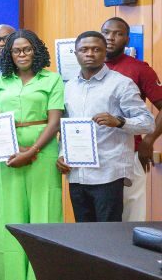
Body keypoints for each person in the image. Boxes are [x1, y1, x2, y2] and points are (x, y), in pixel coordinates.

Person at [0, 29, 62, 280]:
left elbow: (54, 121)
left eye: (27, 49)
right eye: (16, 50)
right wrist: (12, 150)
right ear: (9, 54)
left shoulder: (52, 80)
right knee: (10, 217)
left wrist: (32, 151)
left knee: (43, 216)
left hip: (43, 154)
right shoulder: (0, 81)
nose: (22, 54)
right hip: (7, 156)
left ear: (36, 50)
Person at [58, 31, 153, 222]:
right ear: (75, 53)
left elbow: (148, 122)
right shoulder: (68, 87)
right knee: (83, 233)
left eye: (96, 49)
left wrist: (120, 121)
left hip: (108, 173)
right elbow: (65, 127)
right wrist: (62, 154)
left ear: (104, 53)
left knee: (107, 233)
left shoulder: (121, 84)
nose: (90, 54)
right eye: (84, 49)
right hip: (77, 173)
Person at [101, 16, 162, 222]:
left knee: (131, 216)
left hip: (130, 152)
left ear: (127, 40)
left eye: (118, 34)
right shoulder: (86, 69)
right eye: (106, 32)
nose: (111, 38)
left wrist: (148, 140)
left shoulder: (139, 68)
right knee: (100, 219)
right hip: (96, 156)